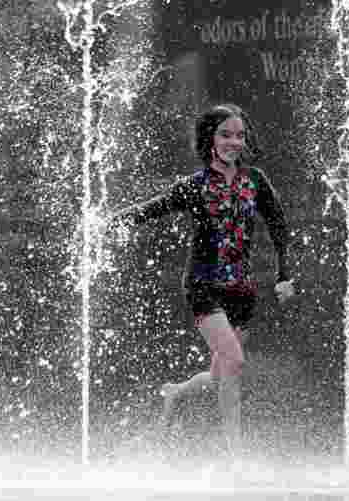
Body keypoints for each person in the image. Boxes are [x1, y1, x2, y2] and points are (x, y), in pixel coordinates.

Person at [112, 103, 296, 457]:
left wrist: (283, 274)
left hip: (242, 290)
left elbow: (278, 227)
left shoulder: (255, 181)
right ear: (210, 139)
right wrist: (106, 223)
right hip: (203, 286)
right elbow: (151, 209)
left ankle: (176, 392)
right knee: (236, 362)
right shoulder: (195, 186)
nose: (233, 142)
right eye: (225, 134)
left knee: (220, 374)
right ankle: (236, 457)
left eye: (239, 135)